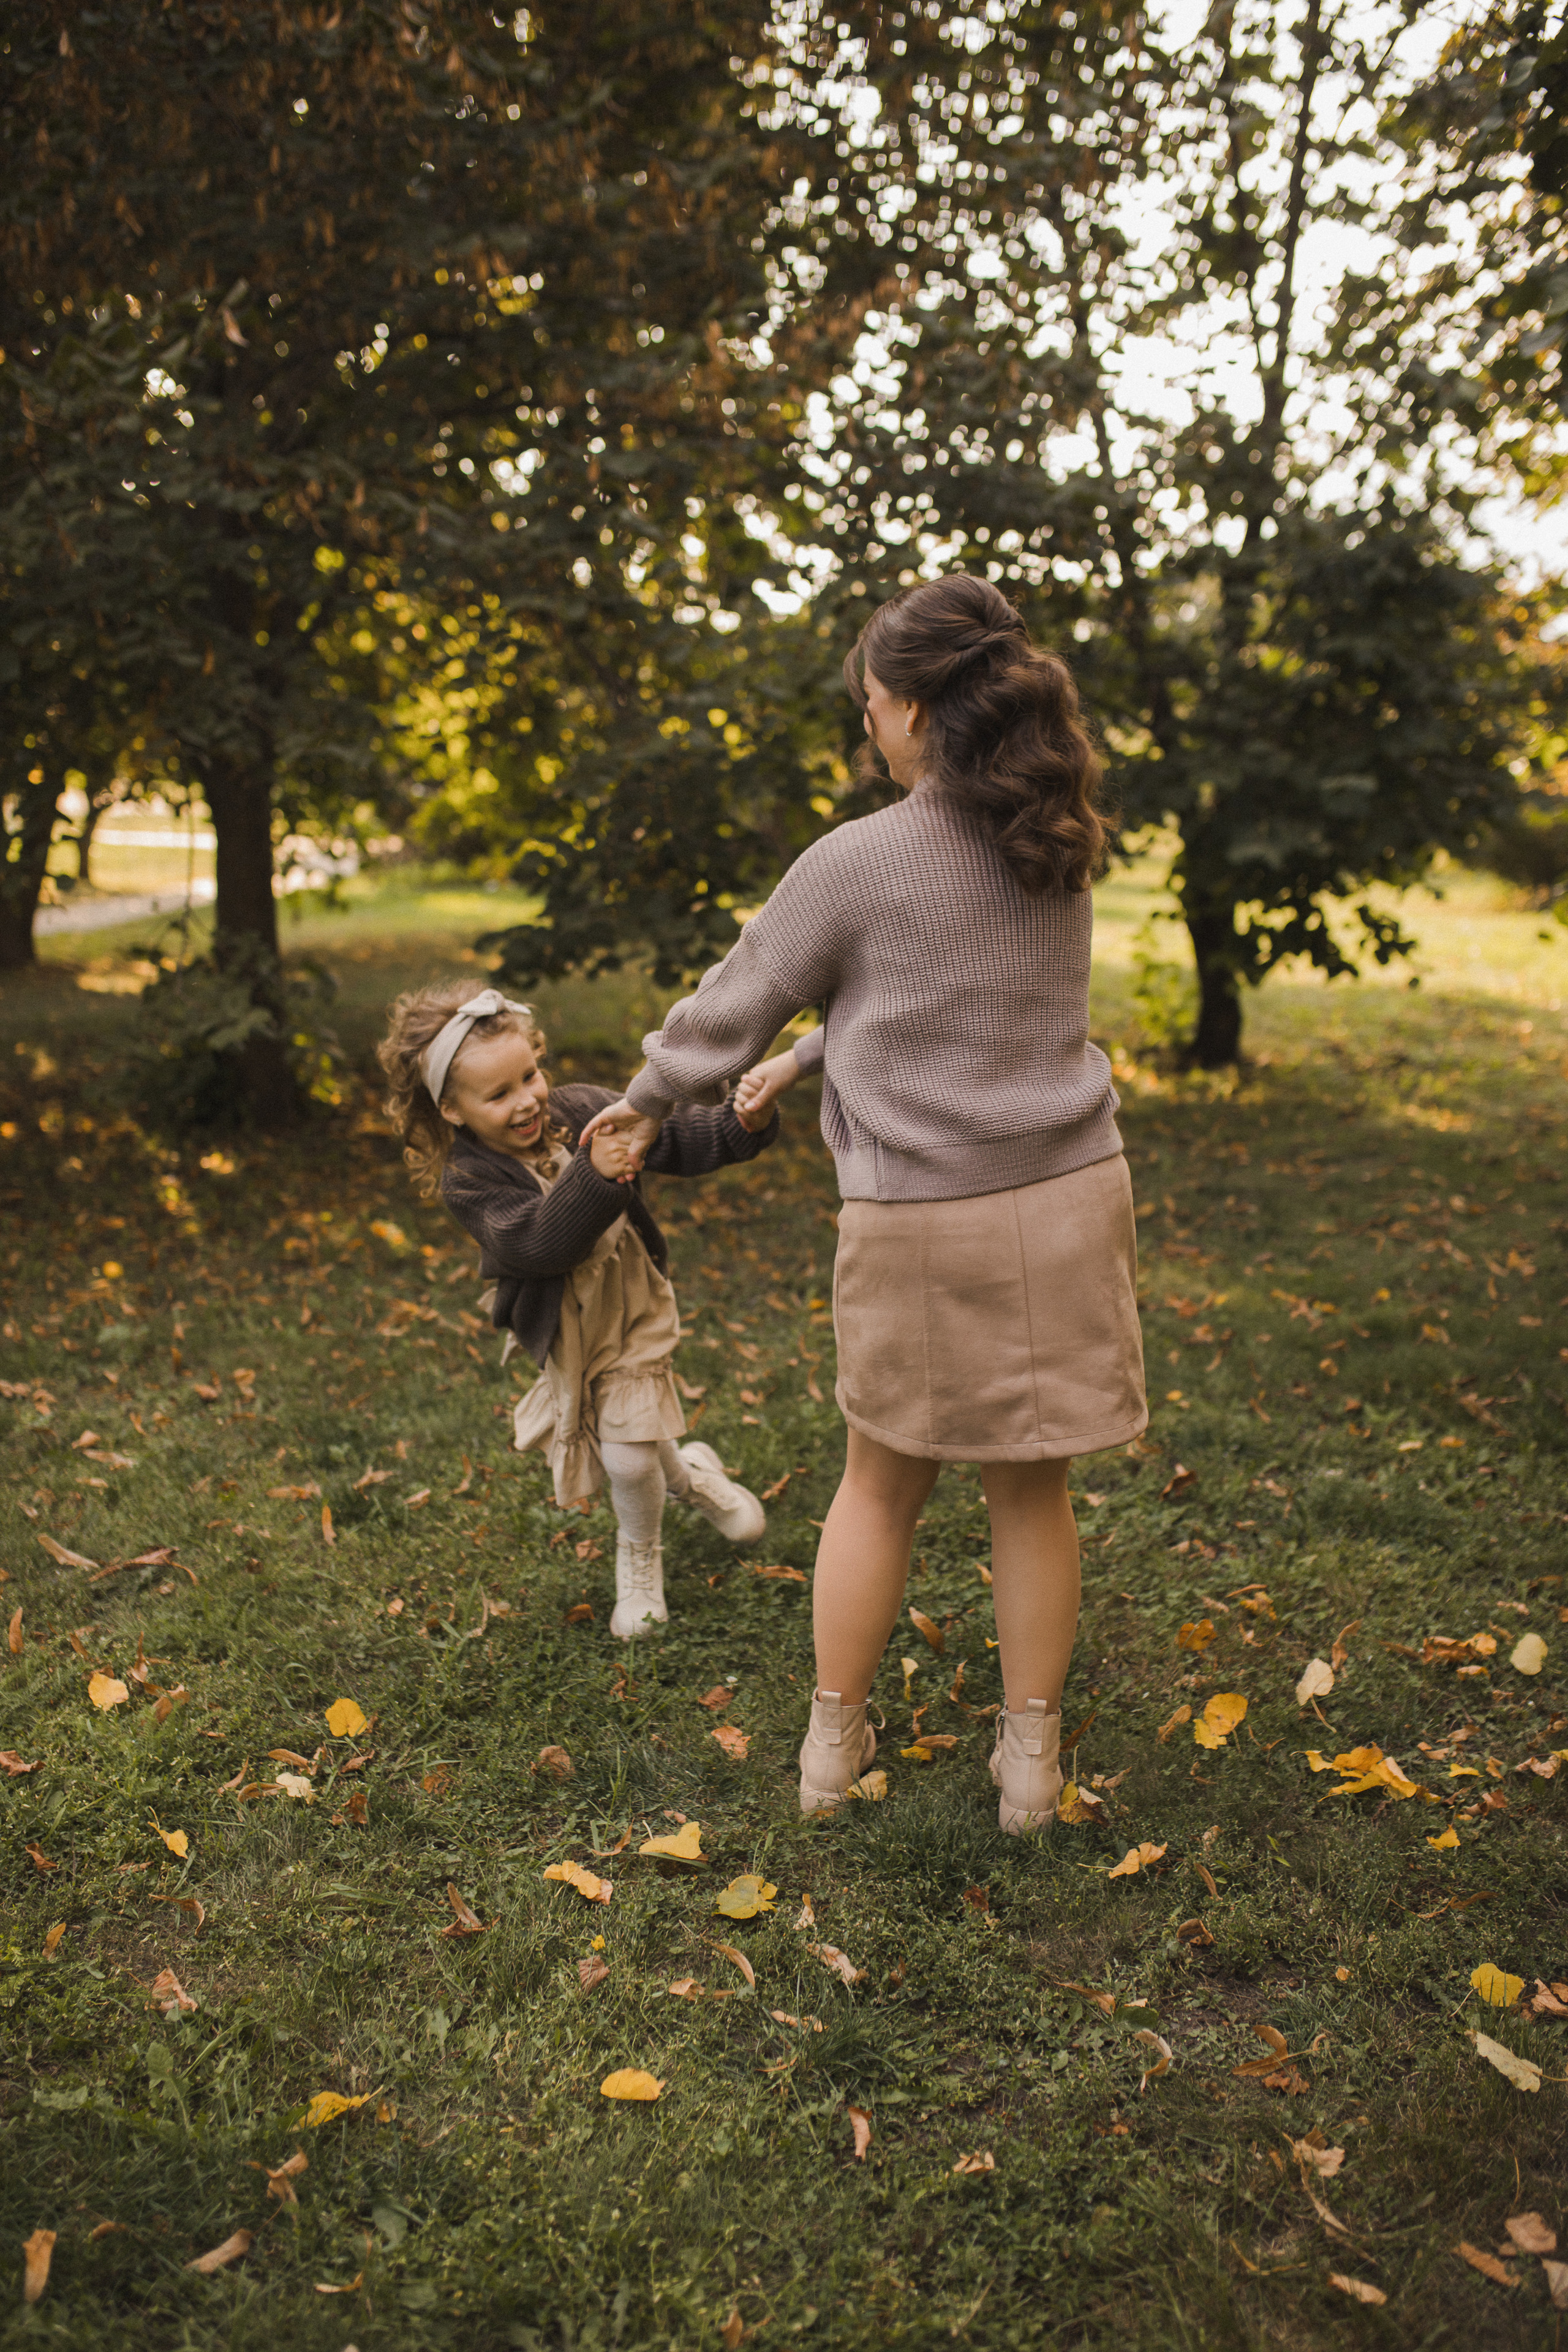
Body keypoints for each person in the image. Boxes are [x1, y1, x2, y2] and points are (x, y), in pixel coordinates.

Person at [582, 574, 1147, 1831]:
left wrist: (645, 1100)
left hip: (920, 1221)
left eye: (872, 705)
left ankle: (829, 1758)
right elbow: (950, 1009)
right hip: (1065, 1199)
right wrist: (809, 1059)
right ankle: (1029, 1770)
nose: (869, 727)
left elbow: (732, 1002)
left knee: (880, 1486)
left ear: (912, 710)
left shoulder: (856, 860)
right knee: (1031, 1492)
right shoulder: (1050, 840)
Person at [377, 983, 775, 1639]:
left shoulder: (581, 1109)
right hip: (567, 1323)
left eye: (529, 1076)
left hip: (633, 1301)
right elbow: (538, 1244)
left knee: (626, 1457)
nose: (527, 1100)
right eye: (498, 1095)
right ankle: (691, 1478)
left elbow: (676, 1137)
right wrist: (595, 1172)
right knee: (628, 1428)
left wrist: (741, 1124)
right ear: (451, 1109)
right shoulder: (469, 1179)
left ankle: (638, 1561)